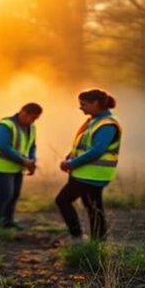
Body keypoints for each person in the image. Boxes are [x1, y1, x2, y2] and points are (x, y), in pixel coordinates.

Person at [55, 89, 120, 242]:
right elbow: (85, 145)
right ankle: (98, 241)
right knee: (93, 206)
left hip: (91, 174)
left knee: (63, 200)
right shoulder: (94, 120)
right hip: (87, 173)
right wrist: (70, 156)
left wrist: (72, 163)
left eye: (83, 104)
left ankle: (78, 237)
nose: (80, 107)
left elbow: (97, 149)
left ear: (95, 103)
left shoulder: (107, 125)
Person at [0, 103, 42, 229]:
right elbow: (4, 147)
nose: (33, 121)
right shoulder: (5, 125)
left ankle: (8, 220)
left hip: (17, 166)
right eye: (32, 117)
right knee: (5, 193)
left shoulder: (31, 127)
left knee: (14, 194)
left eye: (35, 118)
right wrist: (24, 161)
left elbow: (32, 145)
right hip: (0, 165)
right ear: (23, 112)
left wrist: (32, 160)